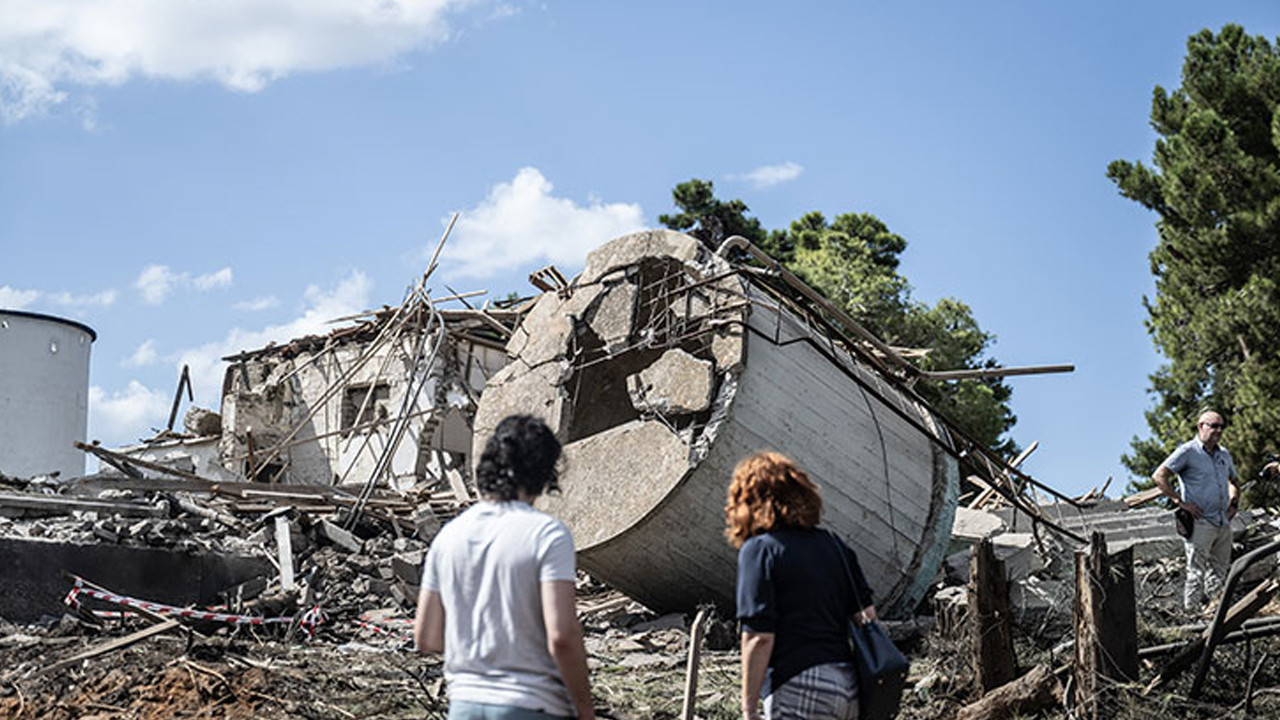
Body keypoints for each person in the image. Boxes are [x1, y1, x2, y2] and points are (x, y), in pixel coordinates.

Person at [413, 415, 595, 720]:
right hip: (532, 704)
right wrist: (585, 709)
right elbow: (562, 635)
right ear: (544, 472)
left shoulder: (449, 537)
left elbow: (427, 637)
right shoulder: (547, 535)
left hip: (464, 705)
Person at [725, 451, 876, 720]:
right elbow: (867, 617)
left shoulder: (760, 551)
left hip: (798, 684)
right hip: (849, 686)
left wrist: (748, 708)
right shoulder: (833, 545)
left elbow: (759, 637)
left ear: (748, 503)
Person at [1152, 410, 1241, 612]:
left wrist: (1233, 504)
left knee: (1219, 572)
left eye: (1221, 427)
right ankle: (1191, 616)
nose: (1219, 431)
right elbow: (1159, 476)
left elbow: (1234, 482)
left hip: (1222, 522)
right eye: (1214, 426)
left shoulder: (1224, 454)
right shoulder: (1188, 452)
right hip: (1200, 522)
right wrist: (1179, 502)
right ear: (1201, 426)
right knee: (1196, 573)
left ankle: (1215, 614)